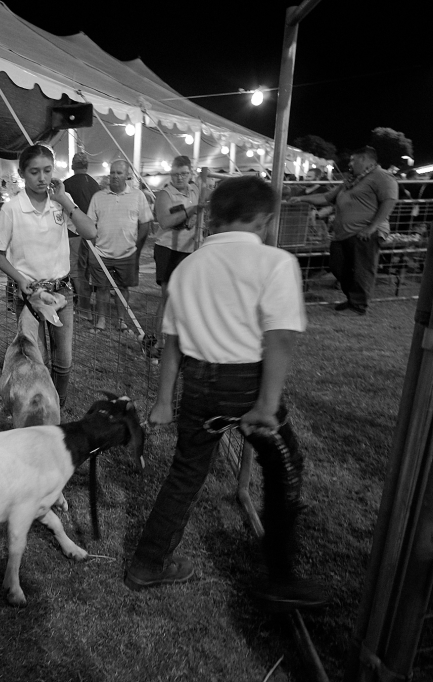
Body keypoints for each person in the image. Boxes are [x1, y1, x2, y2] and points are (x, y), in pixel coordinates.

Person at [125, 176, 326, 612]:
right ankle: (280, 576)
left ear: (214, 216)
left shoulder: (188, 267)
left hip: (199, 385)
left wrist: (164, 401)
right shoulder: (275, 263)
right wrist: (268, 405)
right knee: (284, 467)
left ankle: (147, 562)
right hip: (247, 384)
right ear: (264, 218)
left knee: (186, 473)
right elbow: (281, 337)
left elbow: (172, 340)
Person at [0, 144, 100, 407]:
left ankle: (57, 405)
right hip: (29, 296)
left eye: (47, 171)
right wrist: (19, 278)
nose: (42, 178)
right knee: (38, 359)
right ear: (22, 173)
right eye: (34, 172)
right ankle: (41, 405)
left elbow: (91, 232)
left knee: (64, 360)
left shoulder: (60, 203)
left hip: (62, 293)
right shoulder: (12, 208)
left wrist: (64, 200)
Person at [291, 146, 398, 315]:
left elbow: (389, 202)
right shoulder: (351, 181)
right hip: (343, 233)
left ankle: (358, 305)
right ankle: (352, 299)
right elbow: (326, 198)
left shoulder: (382, 177)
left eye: (353, 160)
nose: (350, 163)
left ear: (364, 159)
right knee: (337, 265)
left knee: (362, 269)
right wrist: (301, 198)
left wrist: (371, 228)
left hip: (364, 232)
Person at [87, 160, 153, 332]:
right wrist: (93, 251)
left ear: (127, 176)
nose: (115, 176)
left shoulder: (138, 196)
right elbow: (90, 226)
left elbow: (145, 224)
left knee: (123, 289)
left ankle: (121, 321)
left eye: (119, 173)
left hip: (127, 254)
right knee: (101, 288)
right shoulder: (98, 197)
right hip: (102, 253)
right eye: (113, 172)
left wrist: (136, 248)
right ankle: (101, 320)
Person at [152, 156, 202, 341]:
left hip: (190, 250)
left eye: (184, 174)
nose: (179, 178)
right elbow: (165, 221)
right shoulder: (165, 194)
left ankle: (179, 336)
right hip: (168, 249)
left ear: (190, 173)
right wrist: (191, 211)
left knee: (185, 296)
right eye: (175, 174)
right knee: (168, 296)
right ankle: (157, 341)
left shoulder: (196, 190)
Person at [63, 152, 102, 317]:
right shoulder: (95, 185)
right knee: (85, 270)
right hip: (92, 233)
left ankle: (84, 309)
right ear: (87, 166)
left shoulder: (66, 185)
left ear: (73, 166)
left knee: (77, 271)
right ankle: (83, 303)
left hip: (73, 234)